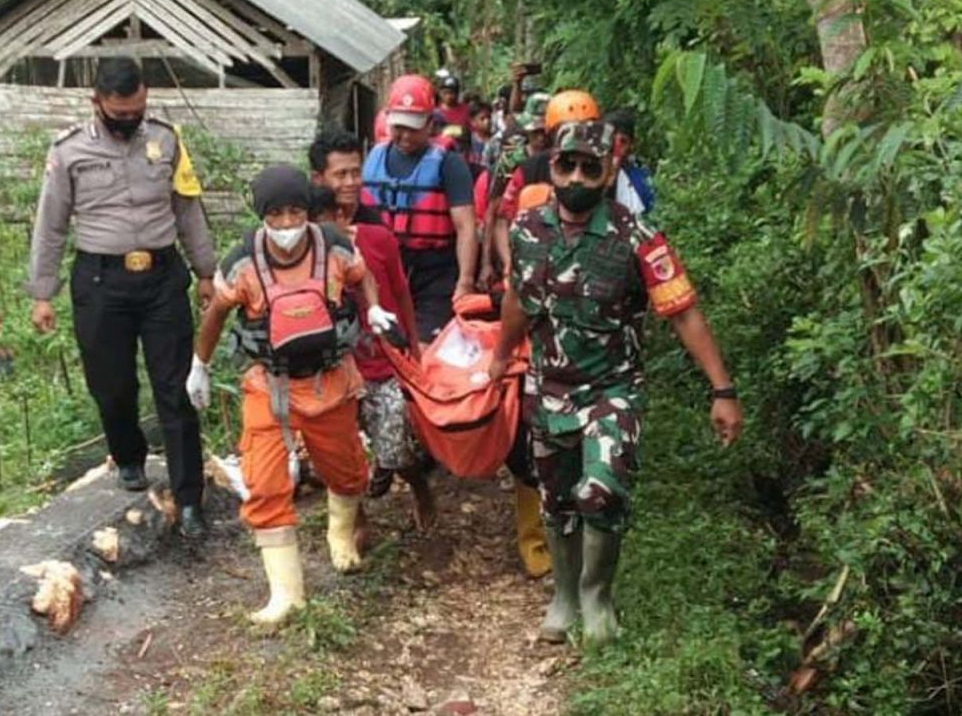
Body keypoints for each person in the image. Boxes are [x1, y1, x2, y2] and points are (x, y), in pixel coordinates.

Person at [488, 120, 744, 646]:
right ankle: (562, 596)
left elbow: (683, 313)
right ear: (552, 166)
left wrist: (722, 390)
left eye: (590, 166)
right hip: (548, 387)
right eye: (567, 164)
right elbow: (516, 300)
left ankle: (595, 594)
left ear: (609, 173)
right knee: (556, 499)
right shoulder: (527, 230)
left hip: (613, 388)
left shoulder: (638, 238)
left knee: (601, 491)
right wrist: (499, 358)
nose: (576, 176)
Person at [187, 164, 399, 627]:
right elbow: (217, 314)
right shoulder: (242, 262)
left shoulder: (335, 246)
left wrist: (376, 306)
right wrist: (198, 366)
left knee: (346, 472)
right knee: (264, 482)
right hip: (271, 384)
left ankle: (340, 534)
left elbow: (362, 276)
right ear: (262, 215)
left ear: (308, 210)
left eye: (295, 212)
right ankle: (287, 594)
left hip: (330, 381)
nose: (286, 224)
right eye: (276, 214)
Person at [26, 57, 216, 542]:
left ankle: (190, 497)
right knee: (111, 384)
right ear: (98, 104)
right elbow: (50, 224)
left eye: (137, 110)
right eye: (120, 112)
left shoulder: (167, 140)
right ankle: (129, 456)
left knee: (175, 387)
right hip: (100, 280)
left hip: (161, 277)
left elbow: (187, 208)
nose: (130, 119)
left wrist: (207, 271)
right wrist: (41, 293)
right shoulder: (69, 151)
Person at [308, 129, 435, 529]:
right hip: (332, 365)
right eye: (339, 175)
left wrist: (413, 349)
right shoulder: (303, 239)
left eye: (355, 173)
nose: (350, 183)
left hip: (380, 360)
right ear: (318, 180)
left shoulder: (377, 235)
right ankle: (355, 519)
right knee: (340, 448)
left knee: (395, 446)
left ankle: (416, 484)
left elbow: (400, 293)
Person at [361, 74, 478, 344]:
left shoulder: (449, 164)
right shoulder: (373, 158)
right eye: (398, 126)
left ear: (430, 123)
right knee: (387, 347)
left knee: (425, 348)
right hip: (387, 270)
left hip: (435, 271)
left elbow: (466, 227)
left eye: (413, 127)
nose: (404, 135)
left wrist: (465, 281)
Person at [604, 109, 656, 216]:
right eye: (610, 140)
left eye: (622, 141)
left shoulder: (641, 182)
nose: (615, 147)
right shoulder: (584, 169)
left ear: (632, 145)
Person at [467, 99, 493, 166]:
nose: (487, 121)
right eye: (482, 119)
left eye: (489, 117)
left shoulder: (495, 141)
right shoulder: (469, 139)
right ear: (473, 122)